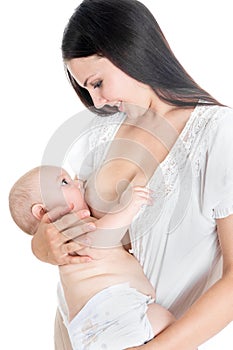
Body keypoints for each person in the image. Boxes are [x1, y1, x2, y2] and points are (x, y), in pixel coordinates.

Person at [30, 0, 233, 349]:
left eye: (97, 83)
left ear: (131, 51)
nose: (96, 102)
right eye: (86, 89)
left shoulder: (218, 133)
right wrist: (43, 248)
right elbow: (69, 231)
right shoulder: (100, 136)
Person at [9, 165, 175, 349]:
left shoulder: (67, 239)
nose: (78, 184)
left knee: (165, 323)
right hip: (107, 317)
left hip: (100, 323)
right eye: (64, 182)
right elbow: (100, 238)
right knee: (169, 325)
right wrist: (128, 206)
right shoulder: (67, 229)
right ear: (42, 212)